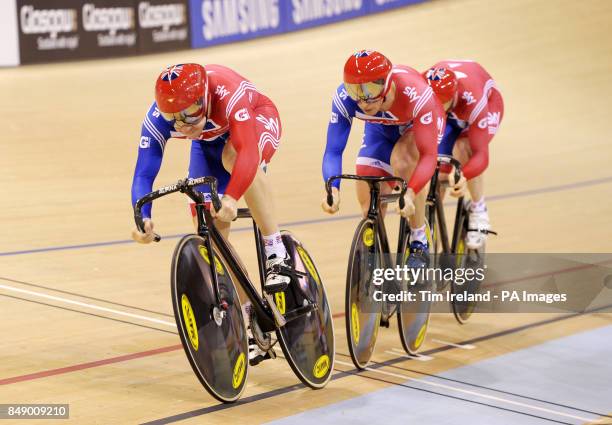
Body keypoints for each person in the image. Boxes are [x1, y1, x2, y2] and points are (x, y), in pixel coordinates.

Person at [130, 63, 291, 294]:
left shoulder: (226, 92)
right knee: (211, 240)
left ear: (205, 98)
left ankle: (276, 250)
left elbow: (247, 152)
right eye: (173, 117)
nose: (183, 125)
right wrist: (143, 217)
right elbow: (143, 174)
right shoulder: (157, 118)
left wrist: (232, 198)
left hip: (256, 120)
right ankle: (246, 312)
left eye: (190, 113)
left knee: (232, 156)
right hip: (207, 143)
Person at [322, 50, 445, 262]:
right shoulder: (346, 99)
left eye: (371, 89)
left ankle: (418, 240)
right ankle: (375, 253)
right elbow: (333, 150)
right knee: (368, 182)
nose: (363, 100)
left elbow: (428, 156)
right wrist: (332, 188)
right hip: (380, 129)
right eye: (355, 90)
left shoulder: (416, 94)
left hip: (416, 127)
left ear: (387, 84)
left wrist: (410, 193)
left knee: (403, 161)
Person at [423, 60, 504, 248]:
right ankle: (429, 225)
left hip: (488, 106)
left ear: (451, 97)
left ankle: (479, 208)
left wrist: (463, 174)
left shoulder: (474, 101)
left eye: (437, 103)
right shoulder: (423, 82)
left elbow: (481, 154)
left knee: (464, 148)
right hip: (451, 112)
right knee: (439, 169)